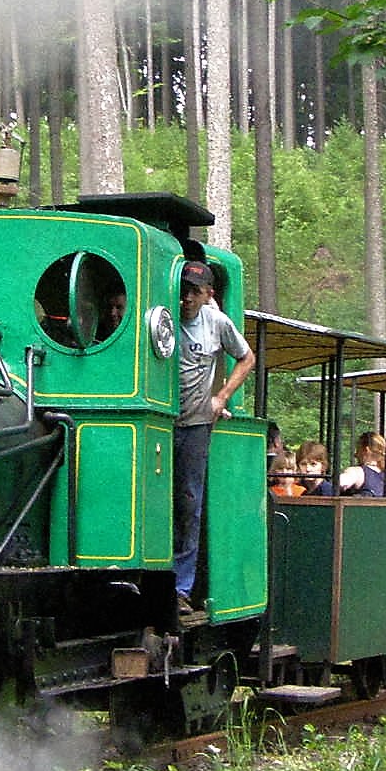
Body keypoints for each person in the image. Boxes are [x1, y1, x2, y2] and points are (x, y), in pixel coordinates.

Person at [172, 259, 254, 606]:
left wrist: (221, 397)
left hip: (196, 423)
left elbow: (247, 357)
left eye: (193, 292)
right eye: (182, 291)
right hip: (161, 419)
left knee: (189, 500)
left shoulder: (217, 323)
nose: (186, 299)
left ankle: (181, 586)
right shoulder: (162, 318)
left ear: (208, 295)